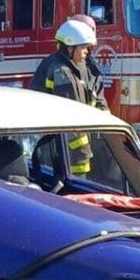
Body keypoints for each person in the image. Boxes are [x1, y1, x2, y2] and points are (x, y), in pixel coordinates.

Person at [29, 19, 109, 176]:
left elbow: (99, 102)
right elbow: (71, 116)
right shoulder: (61, 71)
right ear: (70, 47)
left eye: (88, 47)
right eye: (83, 47)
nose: (87, 51)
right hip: (64, 152)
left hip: (77, 147)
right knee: (71, 185)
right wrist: (82, 152)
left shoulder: (86, 68)